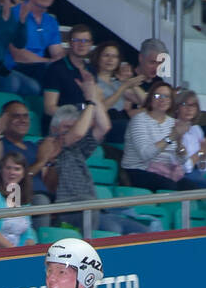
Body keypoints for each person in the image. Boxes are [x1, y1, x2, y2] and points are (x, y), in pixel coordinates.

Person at [46, 100, 155, 236]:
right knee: (113, 230)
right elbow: (78, 133)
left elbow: (104, 127)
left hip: (94, 208)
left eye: (73, 127)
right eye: (66, 127)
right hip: (70, 210)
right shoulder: (49, 145)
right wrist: (90, 104)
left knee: (145, 232)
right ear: (54, 129)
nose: (70, 131)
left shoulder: (77, 148)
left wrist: (93, 96)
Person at [121, 81, 191, 191]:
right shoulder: (139, 120)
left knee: (191, 188)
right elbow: (145, 154)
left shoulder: (173, 123)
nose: (162, 100)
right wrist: (171, 137)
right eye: (158, 96)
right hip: (139, 170)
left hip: (166, 170)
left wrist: (180, 145)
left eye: (167, 96)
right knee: (169, 187)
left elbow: (182, 160)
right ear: (150, 99)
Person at [91, 41, 144, 145]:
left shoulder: (117, 83)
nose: (110, 60)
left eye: (114, 56)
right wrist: (124, 87)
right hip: (103, 124)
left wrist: (132, 84)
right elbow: (102, 107)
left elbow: (147, 101)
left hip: (121, 123)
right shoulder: (93, 81)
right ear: (98, 58)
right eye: (106, 55)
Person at [0, 151, 36, 248]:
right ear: (1, 170)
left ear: (23, 174)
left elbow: (28, 231)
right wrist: (14, 252)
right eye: (8, 168)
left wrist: (30, 246)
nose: (12, 172)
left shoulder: (22, 196)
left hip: (18, 251)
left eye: (17, 169)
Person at [41, 23, 93, 127]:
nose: (81, 44)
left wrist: (84, 114)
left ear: (90, 44)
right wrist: (77, 118)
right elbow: (49, 108)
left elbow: (87, 104)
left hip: (83, 123)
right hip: (59, 126)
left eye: (85, 41)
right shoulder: (56, 69)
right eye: (76, 40)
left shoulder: (91, 71)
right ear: (69, 43)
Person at [5, 0, 64, 88]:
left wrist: (56, 61)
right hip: (14, 68)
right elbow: (18, 54)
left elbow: (58, 54)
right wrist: (48, 61)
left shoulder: (51, 21)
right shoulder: (13, 14)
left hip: (39, 69)